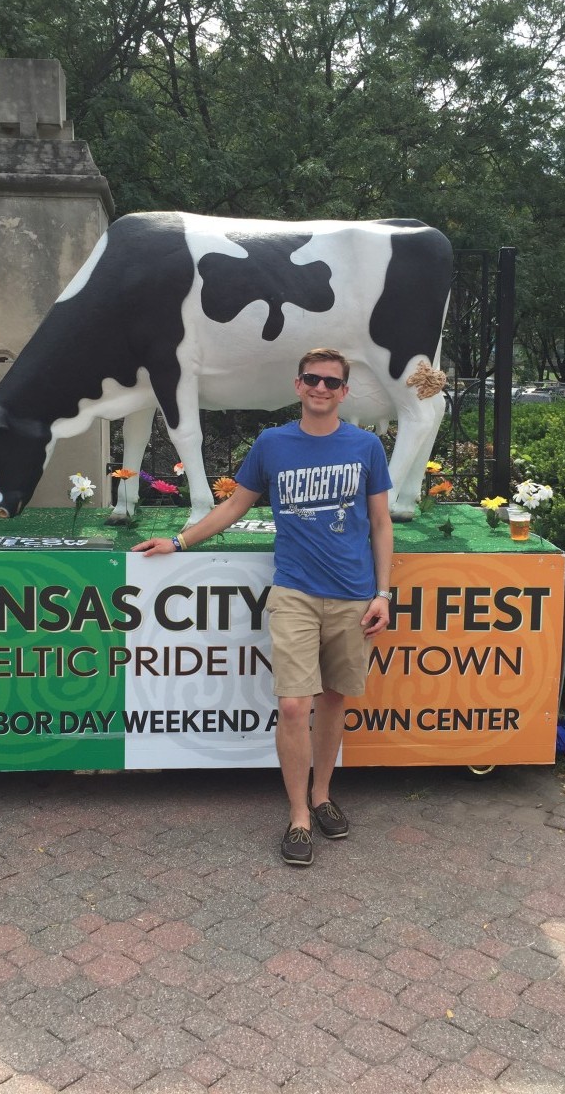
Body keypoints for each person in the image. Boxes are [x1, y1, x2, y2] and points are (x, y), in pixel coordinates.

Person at [132, 347, 394, 866]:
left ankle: (323, 796)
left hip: (354, 594)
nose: (321, 388)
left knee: (337, 700)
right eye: (312, 379)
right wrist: (179, 543)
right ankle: (299, 816)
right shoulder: (272, 444)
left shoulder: (366, 446)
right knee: (296, 705)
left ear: (344, 392)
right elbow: (234, 505)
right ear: (298, 386)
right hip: (294, 591)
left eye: (331, 382)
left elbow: (382, 524)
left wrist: (383, 593)